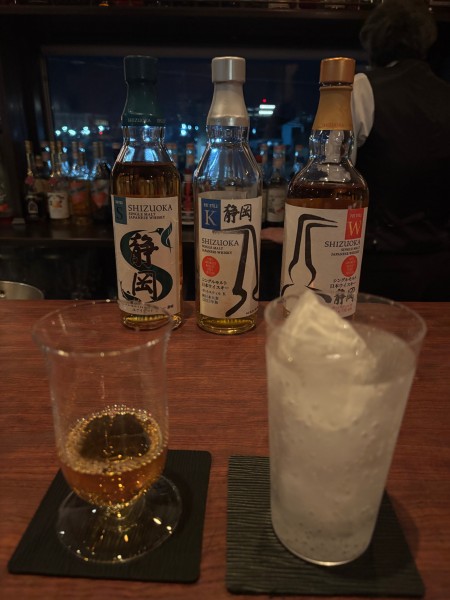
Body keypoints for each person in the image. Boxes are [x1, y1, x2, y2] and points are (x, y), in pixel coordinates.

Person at [262, 0, 450, 301]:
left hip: (375, 264)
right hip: (440, 266)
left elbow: (332, 178)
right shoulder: (444, 92)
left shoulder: (361, 87)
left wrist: (293, 230)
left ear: (373, 42)